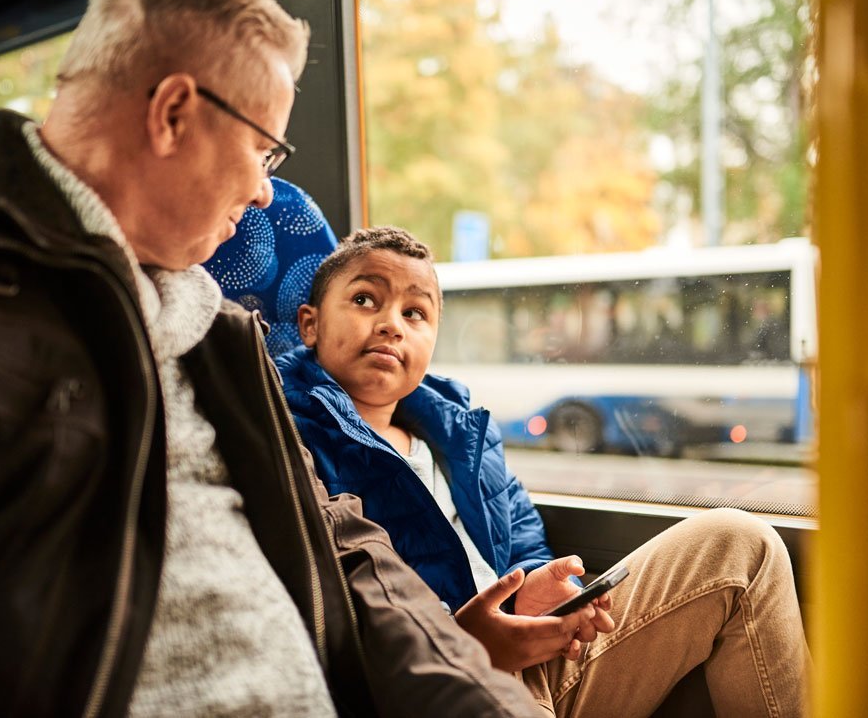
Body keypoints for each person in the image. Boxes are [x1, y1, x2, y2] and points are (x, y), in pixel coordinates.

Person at [0, 0, 559, 716]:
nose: (268, 195)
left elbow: (342, 547)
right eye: (265, 151)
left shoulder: (226, 337)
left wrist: (480, 698)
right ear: (175, 113)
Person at [276, 226, 812, 716]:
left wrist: (545, 592)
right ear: (310, 325)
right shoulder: (287, 438)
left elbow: (526, 545)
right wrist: (461, 640)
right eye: (366, 299)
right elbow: (331, 603)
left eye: (415, 313)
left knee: (743, 546)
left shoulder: (463, 435)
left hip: (535, 660)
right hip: (433, 683)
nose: (391, 324)